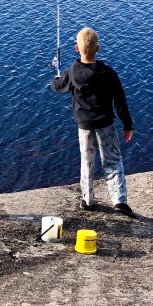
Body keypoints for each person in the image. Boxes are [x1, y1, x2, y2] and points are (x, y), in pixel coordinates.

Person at [51, 26, 135, 216]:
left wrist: (55, 78)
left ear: (76, 48)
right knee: (113, 160)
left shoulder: (72, 72)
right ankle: (119, 200)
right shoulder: (109, 73)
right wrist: (127, 124)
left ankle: (88, 200)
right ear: (97, 48)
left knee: (87, 162)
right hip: (106, 124)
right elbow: (120, 102)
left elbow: (58, 87)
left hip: (84, 127)